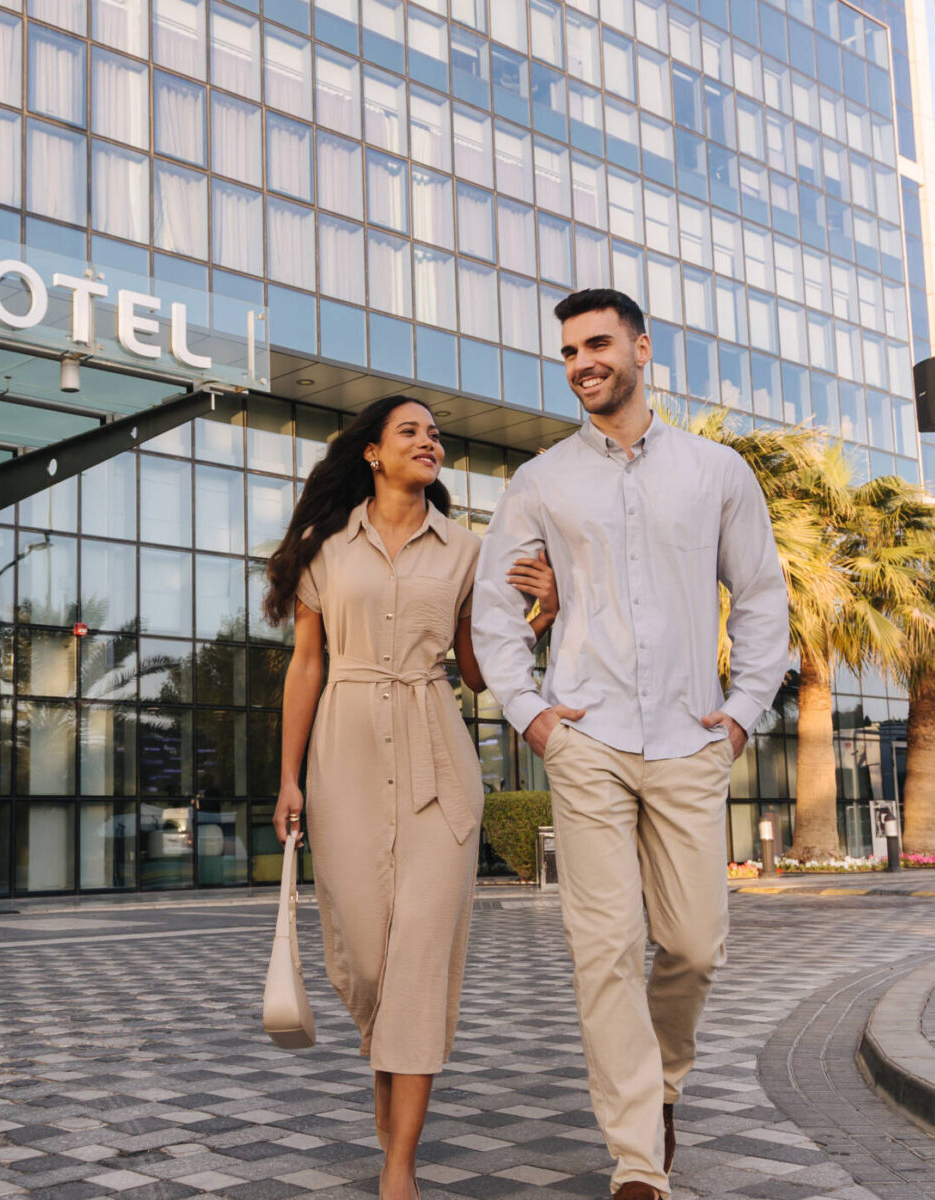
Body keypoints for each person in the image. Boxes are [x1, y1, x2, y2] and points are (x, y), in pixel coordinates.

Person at [470, 288, 790, 1200]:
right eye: (569, 351)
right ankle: (636, 1161)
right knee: (602, 948)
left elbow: (762, 599)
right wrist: (530, 712)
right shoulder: (542, 480)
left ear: (643, 348)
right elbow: (497, 607)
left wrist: (740, 715)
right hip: (588, 739)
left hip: (691, 739)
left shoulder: (717, 473)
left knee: (693, 944)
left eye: (598, 344)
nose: (582, 363)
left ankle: (662, 1088)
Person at [264, 395, 556, 1200]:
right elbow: (307, 667)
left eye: (434, 435)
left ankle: (400, 1165)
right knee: (366, 957)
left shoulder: (468, 550)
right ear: (372, 452)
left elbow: (472, 669)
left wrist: (540, 617)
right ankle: (390, 1096)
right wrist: (288, 779)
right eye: (411, 432)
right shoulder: (326, 548)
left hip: (437, 757)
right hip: (345, 753)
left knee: (421, 958)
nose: (429, 442)